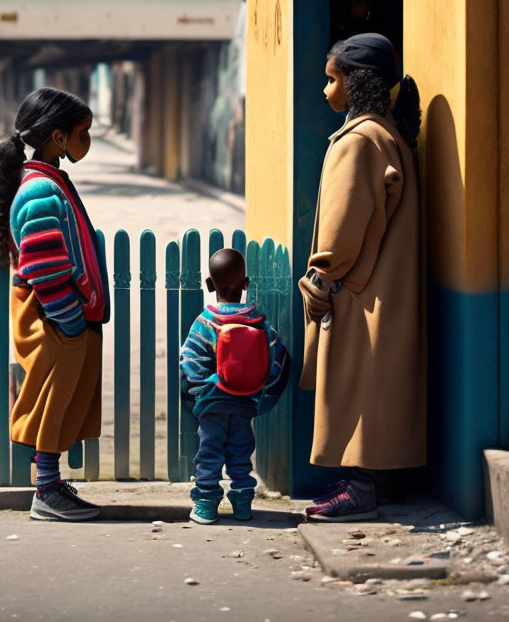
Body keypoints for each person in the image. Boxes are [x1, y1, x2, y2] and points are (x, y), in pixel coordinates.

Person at [298, 33, 423, 522]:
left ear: (356, 82)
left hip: (360, 289)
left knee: (360, 383)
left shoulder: (358, 141)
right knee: (382, 384)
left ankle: (364, 487)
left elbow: (343, 224)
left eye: (332, 79)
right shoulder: (389, 134)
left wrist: (321, 281)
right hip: (388, 285)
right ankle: (380, 481)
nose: (324, 89)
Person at [0, 87, 109, 522]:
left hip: (61, 319)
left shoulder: (47, 181)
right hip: (55, 320)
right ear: (57, 137)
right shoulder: (39, 190)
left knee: (62, 403)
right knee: (52, 404)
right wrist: (71, 322)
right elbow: (44, 266)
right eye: (83, 132)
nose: (86, 141)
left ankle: (51, 485)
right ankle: (45, 493)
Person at [180, 248, 290, 525]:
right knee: (241, 456)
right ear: (246, 283)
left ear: (208, 284)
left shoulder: (205, 323)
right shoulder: (260, 323)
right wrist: (261, 394)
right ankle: (242, 504)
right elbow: (277, 359)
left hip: (213, 406)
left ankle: (206, 505)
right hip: (245, 404)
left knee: (209, 455)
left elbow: (189, 361)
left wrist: (201, 394)